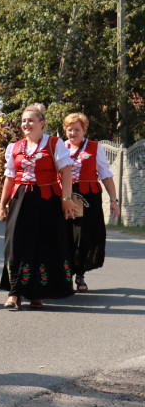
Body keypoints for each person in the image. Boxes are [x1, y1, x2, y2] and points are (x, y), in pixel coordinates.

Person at [0, 103, 76, 309]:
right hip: (20, 199)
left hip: (47, 200)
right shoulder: (14, 147)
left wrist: (66, 200)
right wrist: (2, 204)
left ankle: (37, 294)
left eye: (30, 120)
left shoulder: (55, 143)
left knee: (43, 246)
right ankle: (14, 293)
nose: (26, 124)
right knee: (14, 244)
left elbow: (66, 173)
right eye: (23, 121)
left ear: (42, 123)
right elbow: (9, 177)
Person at [63, 112, 119, 292]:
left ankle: (80, 275)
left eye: (77, 129)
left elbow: (105, 174)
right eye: (70, 129)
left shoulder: (95, 147)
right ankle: (65, 276)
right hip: (64, 198)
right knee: (64, 237)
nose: (73, 133)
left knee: (83, 237)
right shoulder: (59, 147)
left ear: (84, 130)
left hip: (88, 199)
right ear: (65, 131)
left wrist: (114, 200)